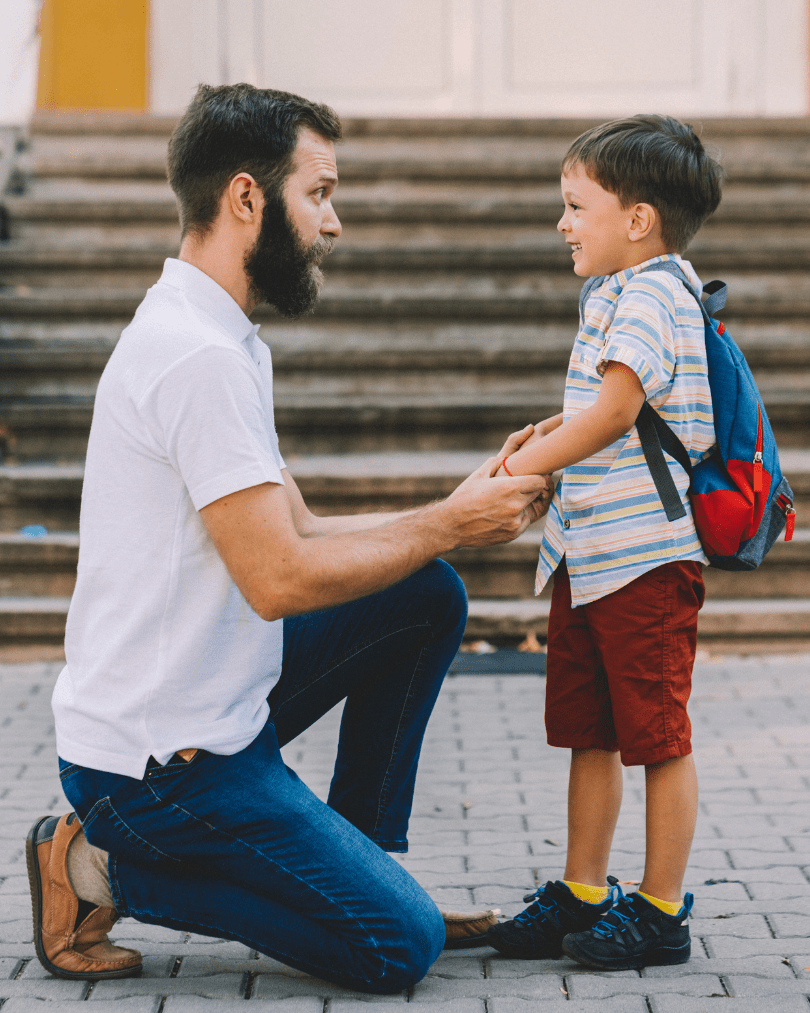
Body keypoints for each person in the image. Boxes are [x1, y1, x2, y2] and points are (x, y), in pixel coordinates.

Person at [25, 84, 552, 994]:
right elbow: (279, 578)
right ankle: (96, 868)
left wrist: (454, 512)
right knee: (397, 947)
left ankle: (360, 861)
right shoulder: (196, 357)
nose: (334, 222)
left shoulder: (221, 337)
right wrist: (452, 523)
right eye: (319, 193)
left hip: (213, 708)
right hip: (156, 773)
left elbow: (299, 529)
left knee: (424, 593)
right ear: (245, 198)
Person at [485, 115, 722, 971]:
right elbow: (605, 409)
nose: (563, 222)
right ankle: (585, 890)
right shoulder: (613, 292)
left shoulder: (659, 290)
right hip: (589, 554)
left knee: (657, 735)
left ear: (638, 218)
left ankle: (660, 912)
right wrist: (545, 433)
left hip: (646, 560)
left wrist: (521, 474)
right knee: (591, 729)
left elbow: (620, 412)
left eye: (575, 204)